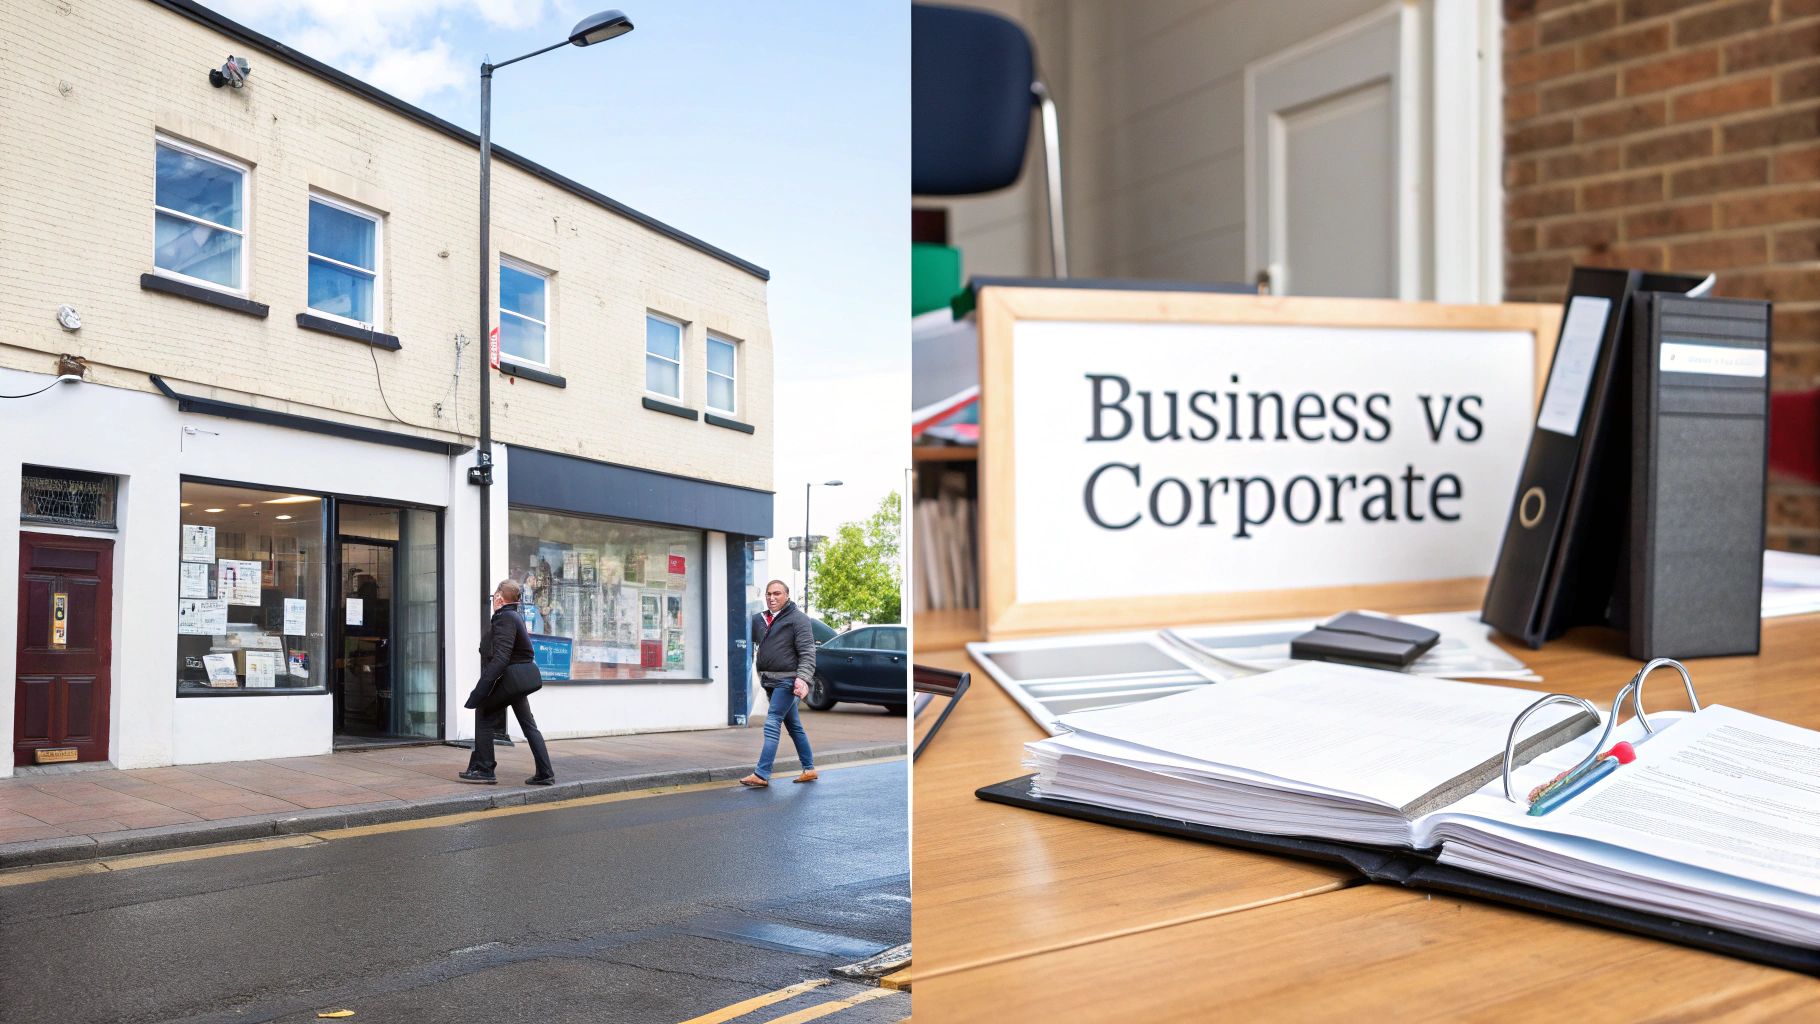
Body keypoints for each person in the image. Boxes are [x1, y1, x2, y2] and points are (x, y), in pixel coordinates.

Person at [459, 579, 555, 786]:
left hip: (511, 679)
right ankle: (545, 772)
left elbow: (501, 657)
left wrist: (482, 687)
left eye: (494, 595)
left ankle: (485, 769)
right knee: (528, 725)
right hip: (517, 680)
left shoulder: (505, 618)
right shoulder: (513, 616)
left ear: (500, 598)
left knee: (483, 711)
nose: (493, 598)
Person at [740, 580, 818, 788]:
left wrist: (802, 678)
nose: (771, 598)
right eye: (768, 594)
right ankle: (809, 769)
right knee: (794, 725)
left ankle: (762, 773)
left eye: (777, 594)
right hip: (770, 681)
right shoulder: (761, 620)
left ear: (787, 595)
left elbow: (808, 652)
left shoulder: (798, 619)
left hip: (788, 680)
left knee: (772, 721)